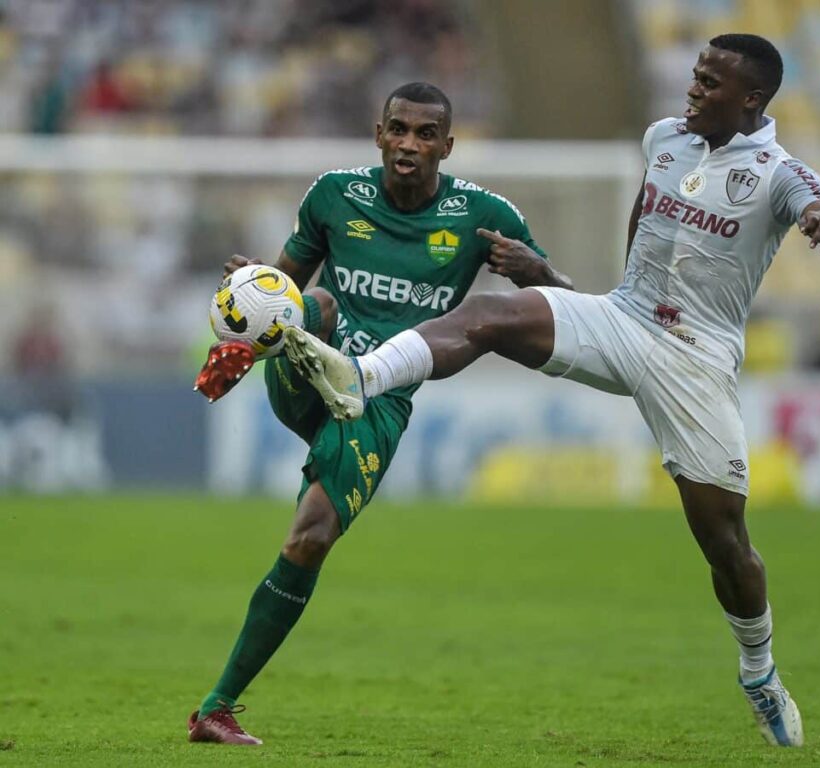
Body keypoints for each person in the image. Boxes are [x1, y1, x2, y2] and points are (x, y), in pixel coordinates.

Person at [282, 34, 820, 747]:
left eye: (710, 83)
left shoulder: (778, 173)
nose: (692, 89)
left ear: (751, 99)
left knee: (725, 542)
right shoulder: (665, 139)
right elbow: (644, 222)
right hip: (623, 319)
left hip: (696, 359)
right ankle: (360, 378)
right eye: (695, 74)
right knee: (487, 316)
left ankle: (760, 673)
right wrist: (609, 294)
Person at [188, 81, 572, 745]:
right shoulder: (335, 195)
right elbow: (286, 290)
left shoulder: (484, 218)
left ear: (447, 147)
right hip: (312, 367)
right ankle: (253, 362)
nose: (409, 145)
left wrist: (542, 271)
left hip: (378, 402)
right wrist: (254, 303)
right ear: (379, 133)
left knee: (309, 537)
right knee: (326, 308)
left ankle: (215, 710)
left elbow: (573, 315)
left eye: (426, 135)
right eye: (399, 129)